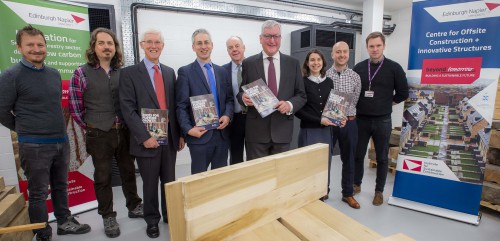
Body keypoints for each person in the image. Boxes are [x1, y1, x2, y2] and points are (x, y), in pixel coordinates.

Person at [0, 25, 90, 241]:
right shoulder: (11, 75)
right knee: (39, 192)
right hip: (34, 145)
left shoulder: (53, 74)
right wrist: (26, 129)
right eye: (30, 45)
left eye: (40, 44)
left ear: (45, 47)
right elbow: (2, 111)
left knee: (61, 185)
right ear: (20, 47)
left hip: (60, 140)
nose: (36, 49)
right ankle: (42, 232)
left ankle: (64, 222)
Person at [69, 28, 143, 238]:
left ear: (115, 47)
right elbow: (75, 108)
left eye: (110, 43)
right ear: (94, 47)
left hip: (125, 132)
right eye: (101, 43)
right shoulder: (81, 73)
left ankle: (134, 205)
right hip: (99, 134)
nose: (106, 47)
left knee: (129, 171)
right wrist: (92, 125)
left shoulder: (124, 72)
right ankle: (108, 215)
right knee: (103, 177)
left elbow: (132, 102)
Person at [119, 29, 184, 238]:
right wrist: (144, 137)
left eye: (157, 42)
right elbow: (127, 109)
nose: (153, 46)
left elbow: (174, 106)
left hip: (170, 139)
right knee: (149, 183)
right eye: (149, 42)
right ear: (142, 45)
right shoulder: (129, 73)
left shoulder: (168, 71)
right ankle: (152, 220)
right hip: (145, 140)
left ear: (162, 46)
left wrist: (180, 134)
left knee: (169, 181)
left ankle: (169, 214)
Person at [237, 20, 306, 160]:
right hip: (256, 133)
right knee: (257, 176)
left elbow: (301, 95)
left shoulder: (293, 63)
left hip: (283, 131)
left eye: (276, 36)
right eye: (268, 36)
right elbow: (240, 93)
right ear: (260, 38)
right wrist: (243, 97)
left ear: (280, 38)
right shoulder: (248, 63)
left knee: (280, 176)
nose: (272, 40)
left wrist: (290, 105)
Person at [353, 31, 409, 206]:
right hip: (361, 119)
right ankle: (356, 184)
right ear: (367, 48)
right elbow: (353, 92)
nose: (375, 49)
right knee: (358, 154)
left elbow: (403, 93)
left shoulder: (394, 68)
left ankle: (379, 191)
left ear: (384, 46)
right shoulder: (359, 68)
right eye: (371, 46)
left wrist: (387, 103)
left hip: (382, 120)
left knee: (382, 157)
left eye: (378, 46)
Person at [176, 28, 233, 174]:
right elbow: (181, 106)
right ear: (193, 47)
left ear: (212, 45)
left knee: (219, 179)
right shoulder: (185, 72)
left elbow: (229, 99)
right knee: (199, 180)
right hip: (200, 137)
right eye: (199, 43)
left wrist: (227, 115)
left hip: (221, 135)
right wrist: (189, 129)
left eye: (206, 42)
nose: (203, 46)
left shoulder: (222, 71)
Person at [295, 49, 345, 201]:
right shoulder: (302, 82)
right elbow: (299, 111)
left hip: (326, 131)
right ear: (307, 63)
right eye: (312, 60)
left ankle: (323, 190)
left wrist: (340, 117)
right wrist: (319, 120)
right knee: (308, 164)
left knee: (325, 162)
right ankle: (308, 192)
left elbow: (334, 107)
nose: (315, 63)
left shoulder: (329, 82)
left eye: (318, 60)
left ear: (323, 62)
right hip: (309, 130)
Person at [325, 41, 362, 209]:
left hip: (349, 123)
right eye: (338, 52)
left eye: (344, 52)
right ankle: (323, 190)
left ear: (348, 54)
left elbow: (355, 100)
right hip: (329, 123)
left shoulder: (355, 77)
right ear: (332, 54)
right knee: (325, 158)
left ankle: (347, 194)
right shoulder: (325, 75)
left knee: (349, 159)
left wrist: (345, 115)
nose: (341, 55)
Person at [223, 36, 246, 165]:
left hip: (253, 119)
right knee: (235, 157)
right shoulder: (222, 71)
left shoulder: (254, 66)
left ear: (244, 47)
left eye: (237, 46)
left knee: (255, 155)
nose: (234, 50)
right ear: (227, 51)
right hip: (233, 120)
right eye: (230, 47)